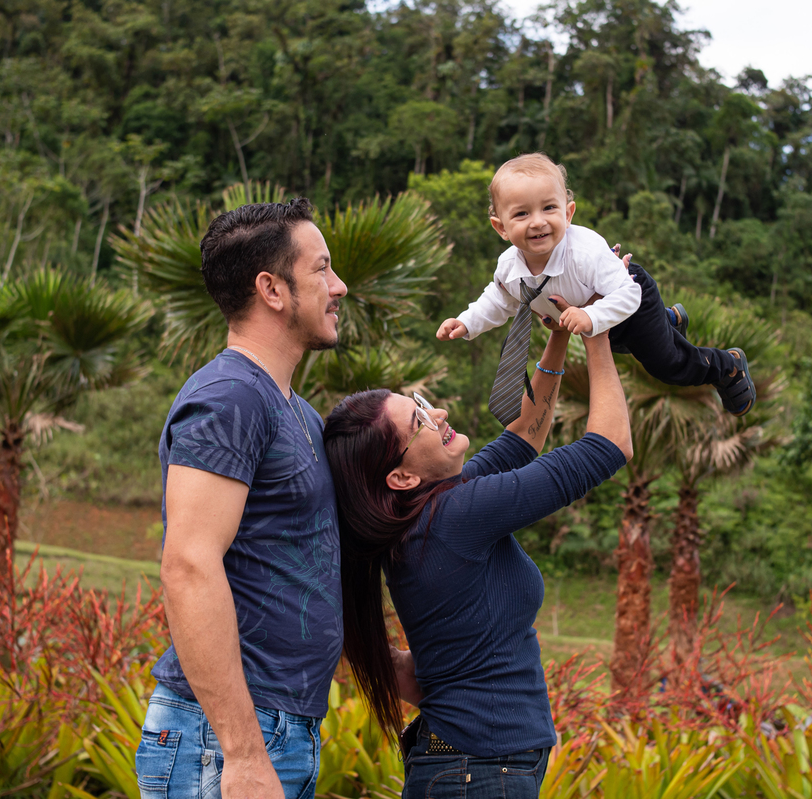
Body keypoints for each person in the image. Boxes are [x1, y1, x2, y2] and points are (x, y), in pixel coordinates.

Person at [322, 298, 634, 799]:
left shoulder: (428, 511)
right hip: (479, 771)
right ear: (401, 477)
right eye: (420, 423)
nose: (438, 412)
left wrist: (559, 336)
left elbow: (523, 440)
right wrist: (596, 331)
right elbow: (610, 445)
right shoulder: (454, 517)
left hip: (469, 767)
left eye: (420, 404)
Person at [136, 199, 357, 799]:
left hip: (279, 725)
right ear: (272, 289)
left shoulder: (297, 413)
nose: (338, 287)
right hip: (227, 735)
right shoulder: (231, 398)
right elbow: (188, 566)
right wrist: (243, 751)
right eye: (322, 269)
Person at [436, 152, 756, 416]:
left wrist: (590, 316)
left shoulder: (585, 253)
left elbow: (628, 293)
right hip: (594, 318)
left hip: (626, 294)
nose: (537, 221)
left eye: (549, 208)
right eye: (521, 214)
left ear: (569, 212)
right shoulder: (508, 267)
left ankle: (727, 366)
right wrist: (466, 323)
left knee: (666, 365)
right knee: (623, 344)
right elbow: (498, 300)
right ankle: (668, 320)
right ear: (500, 227)